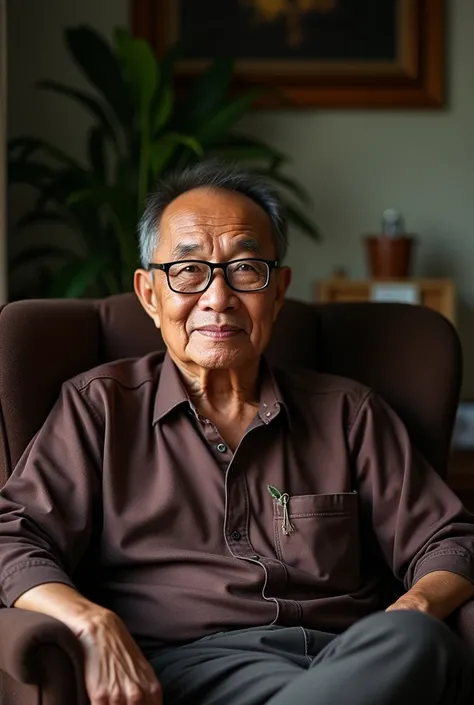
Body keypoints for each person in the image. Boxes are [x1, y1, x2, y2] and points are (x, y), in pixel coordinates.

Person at [0, 161, 473, 705]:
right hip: (192, 669)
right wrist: (88, 619)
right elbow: (15, 536)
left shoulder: (347, 412)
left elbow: (451, 541)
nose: (218, 298)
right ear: (150, 295)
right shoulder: (101, 407)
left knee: (419, 638)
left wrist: (411, 609)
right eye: (188, 271)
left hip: (353, 662)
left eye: (245, 269)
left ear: (278, 292)